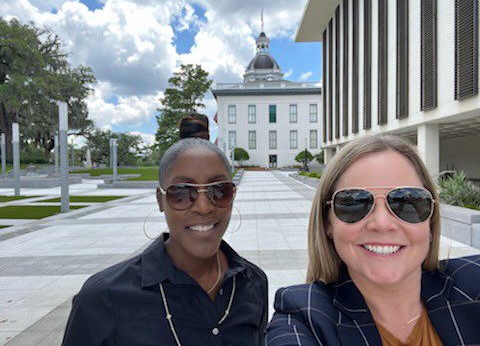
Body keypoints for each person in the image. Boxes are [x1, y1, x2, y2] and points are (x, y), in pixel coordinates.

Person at [266, 135, 480, 345]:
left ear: (430, 223)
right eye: (354, 203)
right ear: (327, 223)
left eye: (405, 201)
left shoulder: (474, 282)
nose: (382, 223)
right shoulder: (304, 318)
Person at [63, 138, 268, 345]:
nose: (204, 207)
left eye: (219, 190)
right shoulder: (103, 298)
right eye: (181, 193)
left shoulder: (253, 282)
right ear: (160, 200)